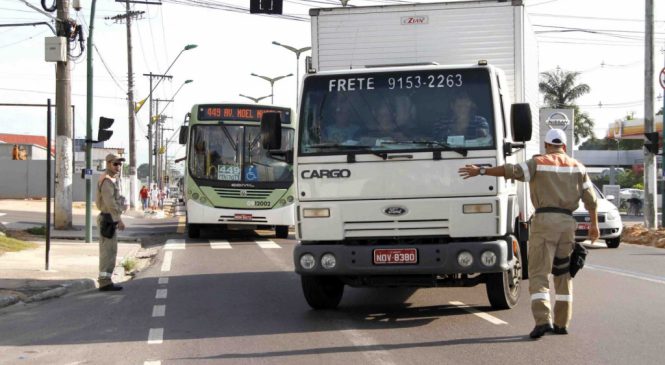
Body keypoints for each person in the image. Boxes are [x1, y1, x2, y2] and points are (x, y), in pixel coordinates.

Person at [458, 128, 599, 339]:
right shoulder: (578, 167)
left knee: (539, 273)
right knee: (563, 273)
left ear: (546, 145)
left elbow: (511, 170)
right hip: (568, 223)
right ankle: (562, 323)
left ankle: (543, 321)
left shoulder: (539, 163)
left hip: (545, 222)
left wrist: (481, 171)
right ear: (565, 146)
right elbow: (591, 201)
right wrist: (594, 226)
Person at [95, 153, 127, 291]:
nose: (118, 166)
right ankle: (104, 281)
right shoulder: (107, 180)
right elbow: (110, 203)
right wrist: (119, 220)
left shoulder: (113, 179)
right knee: (108, 251)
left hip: (109, 218)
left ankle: (106, 280)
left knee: (111, 250)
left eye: (120, 164)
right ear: (108, 164)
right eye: (115, 164)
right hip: (108, 218)